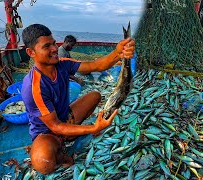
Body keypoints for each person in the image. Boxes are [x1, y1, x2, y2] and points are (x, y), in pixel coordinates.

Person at [21, 24, 135, 175]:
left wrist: (118, 52)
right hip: (47, 132)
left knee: (95, 96)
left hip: (65, 119)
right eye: (47, 46)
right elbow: (55, 126)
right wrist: (94, 128)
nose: (55, 48)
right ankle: (61, 153)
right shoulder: (33, 87)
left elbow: (95, 65)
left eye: (54, 43)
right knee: (43, 163)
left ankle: (69, 135)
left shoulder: (62, 64)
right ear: (31, 52)